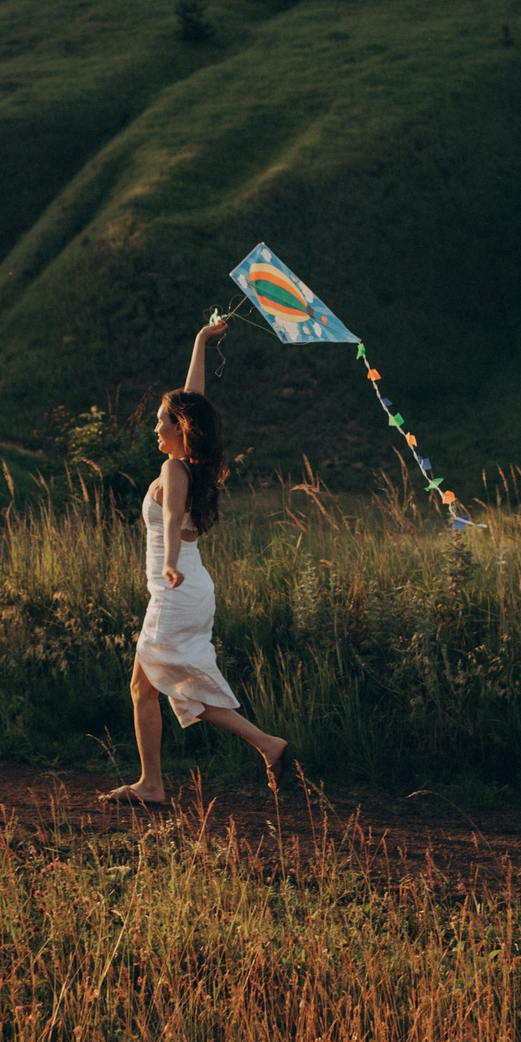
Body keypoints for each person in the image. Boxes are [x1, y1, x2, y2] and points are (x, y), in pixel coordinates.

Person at [102, 318, 300, 806]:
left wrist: (169, 563)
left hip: (176, 588)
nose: (155, 426)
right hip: (187, 590)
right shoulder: (194, 464)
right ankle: (264, 748)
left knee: (159, 686)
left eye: (161, 420)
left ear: (178, 429)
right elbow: (192, 398)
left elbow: (171, 520)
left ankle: (159, 782)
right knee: (160, 687)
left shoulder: (174, 469)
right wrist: (200, 342)